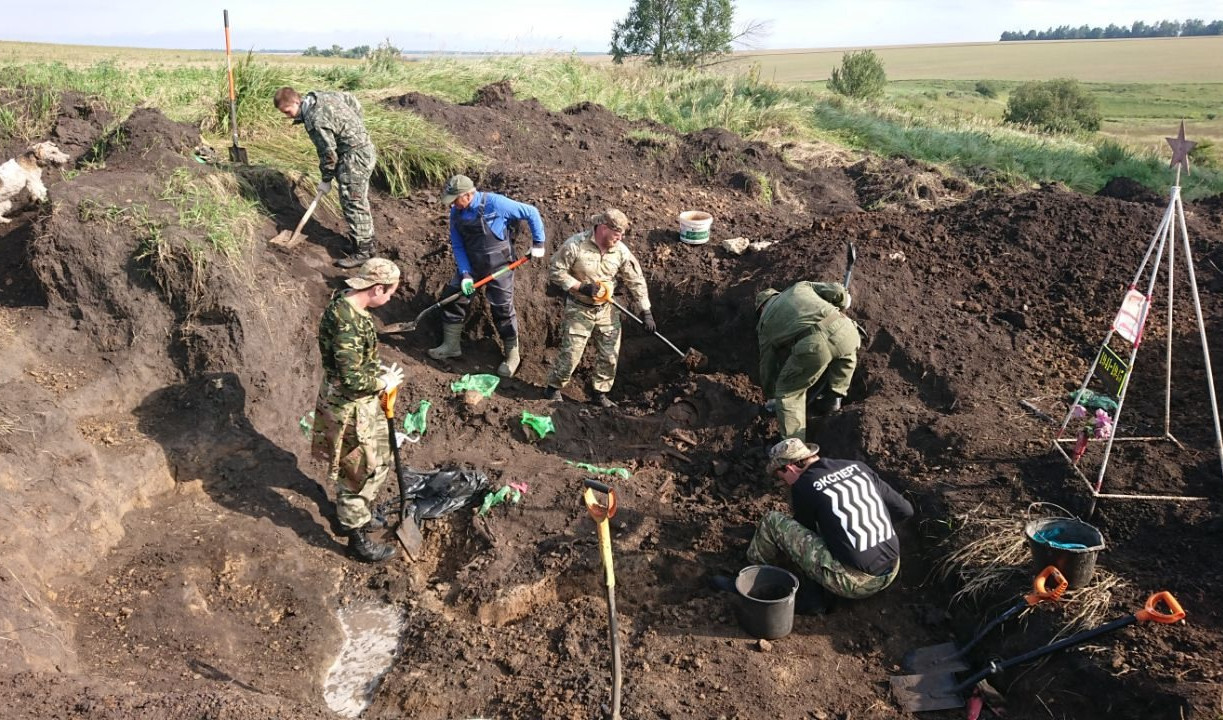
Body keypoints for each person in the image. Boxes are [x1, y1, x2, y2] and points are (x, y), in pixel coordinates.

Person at [311, 258, 405, 563]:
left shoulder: (346, 305)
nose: (390, 299)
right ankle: (356, 537)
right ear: (377, 288)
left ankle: (358, 513)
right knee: (358, 472)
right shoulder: (347, 322)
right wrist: (382, 381)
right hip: (350, 406)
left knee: (379, 456)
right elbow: (352, 380)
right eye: (389, 293)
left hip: (359, 403)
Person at [749, 438, 912, 604]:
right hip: (892, 569)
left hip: (854, 584)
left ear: (790, 468)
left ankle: (755, 577)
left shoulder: (804, 485)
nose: (784, 484)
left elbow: (806, 534)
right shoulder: (858, 467)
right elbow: (906, 510)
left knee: (772, 521)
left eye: (782, 478)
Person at [428, 174, 547, 378]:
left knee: (502, 308)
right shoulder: (456, 213)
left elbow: (531, 212)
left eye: (455, 200)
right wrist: (465, 274)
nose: (453, 205)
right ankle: (450, 345)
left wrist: (538, 243)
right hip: (472, 266)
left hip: (499, 265)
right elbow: (457, 245)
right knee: (454, 297)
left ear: (468, 195)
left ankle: (512, 356)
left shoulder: (496, 203)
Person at [542, 209, 653, 408]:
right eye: (617, 233)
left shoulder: (620, 251)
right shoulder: (575, 245)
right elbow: (555, 270)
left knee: (609, 356)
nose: (621, 238)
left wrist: (646, 311)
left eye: (622, 234)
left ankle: (599, 393)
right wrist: (580, 287)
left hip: (607, 310)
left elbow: (636, 280)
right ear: (603, 228)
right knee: (571, 354)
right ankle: (553, 388)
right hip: (579, 308)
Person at [274, 86, 378, 269]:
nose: (288, 116)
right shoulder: (320, 96)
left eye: (288, 111)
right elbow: (351, 100)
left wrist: (326, 179)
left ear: (297, 102)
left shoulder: (315, 120)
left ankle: (363, 252)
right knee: (356, 200)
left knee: (353, 202)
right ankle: (361, 242)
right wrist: (355, 127)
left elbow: (328, 154)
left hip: (355, 157)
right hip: (364, 149)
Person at [755, 281, 859, 441]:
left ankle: (795, 448)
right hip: (848, 330)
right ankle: (833, 399)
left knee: (788, 392)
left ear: (761, 308)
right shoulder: (800, 287)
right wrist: (844, 301)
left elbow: (767, 365)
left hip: (815, 346)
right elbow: (837, 290)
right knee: (844, 361)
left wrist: (771, 395)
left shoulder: (765, 323)